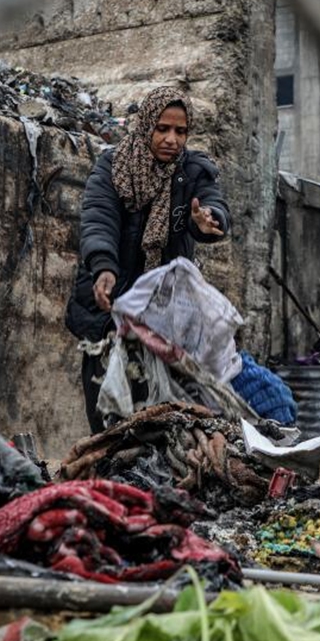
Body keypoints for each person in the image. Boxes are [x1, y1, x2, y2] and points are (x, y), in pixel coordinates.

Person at [64, 86, 231, 434]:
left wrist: (209, 219)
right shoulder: (112, 167)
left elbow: (212, 204)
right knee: (105, 404)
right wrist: (104, 267)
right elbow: (99, 219)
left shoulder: (193, 173)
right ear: (146, 127)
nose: (171, 139)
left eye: (180, 131)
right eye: (162, 128)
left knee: (165, 409)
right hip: (112, 304)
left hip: (165, 312)